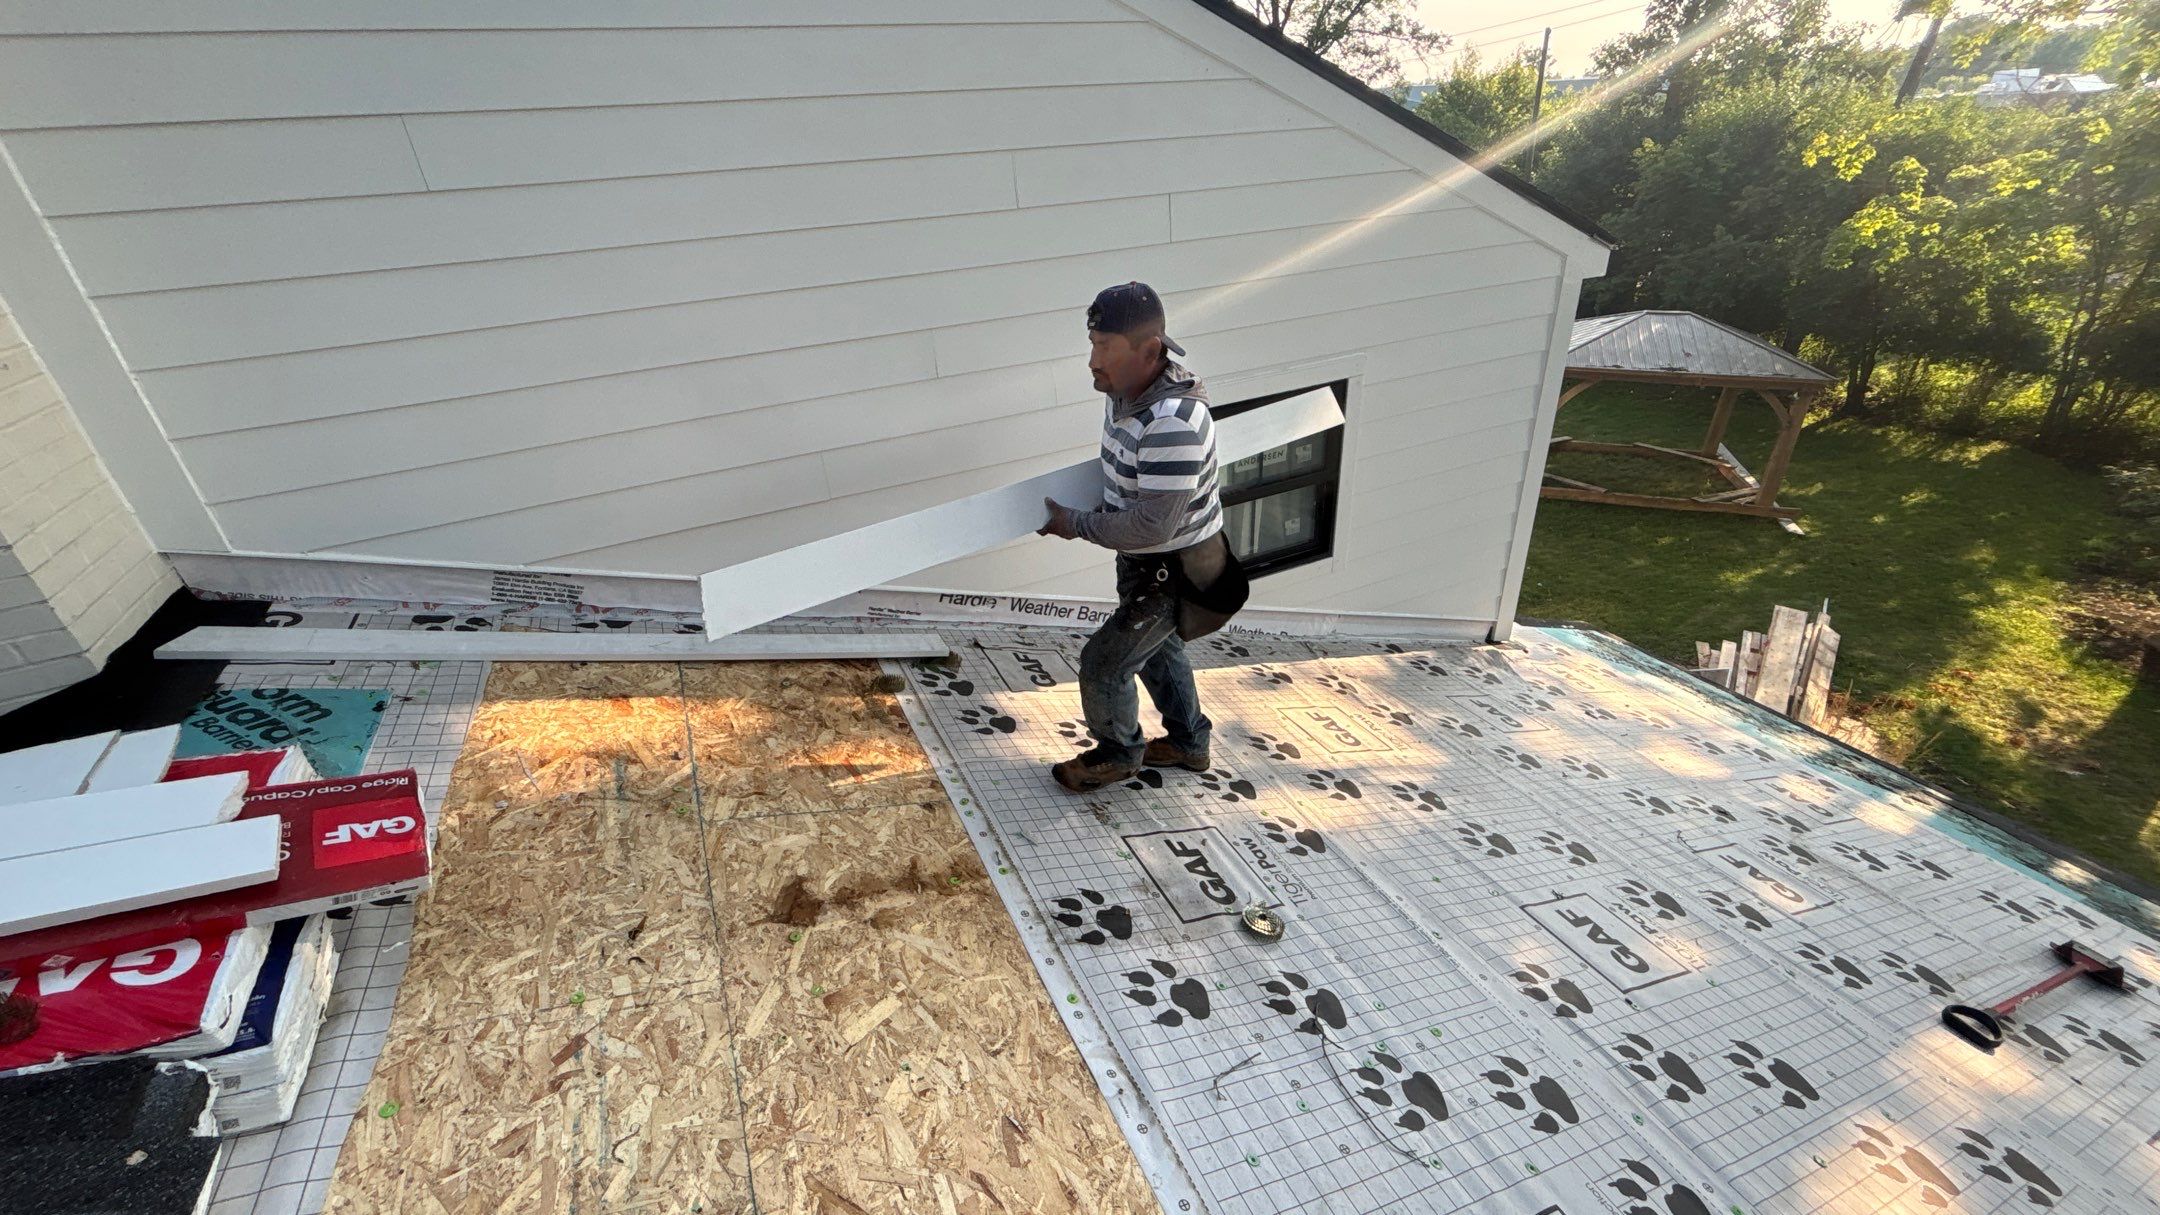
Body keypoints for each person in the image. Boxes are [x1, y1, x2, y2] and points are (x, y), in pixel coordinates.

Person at [1038, 282, 1246, 793]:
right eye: (1093, 344)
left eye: (1105, 347)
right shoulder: (1124, 394)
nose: (1092, 360)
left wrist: (1074, 523)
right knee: (1159, 650)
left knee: (1104, 663)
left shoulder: (1173, 423)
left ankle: (1119, 754)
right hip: (1149, 561)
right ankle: (1189, 743)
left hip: (1178, 568)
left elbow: (1154, 524)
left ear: (1150, 351)